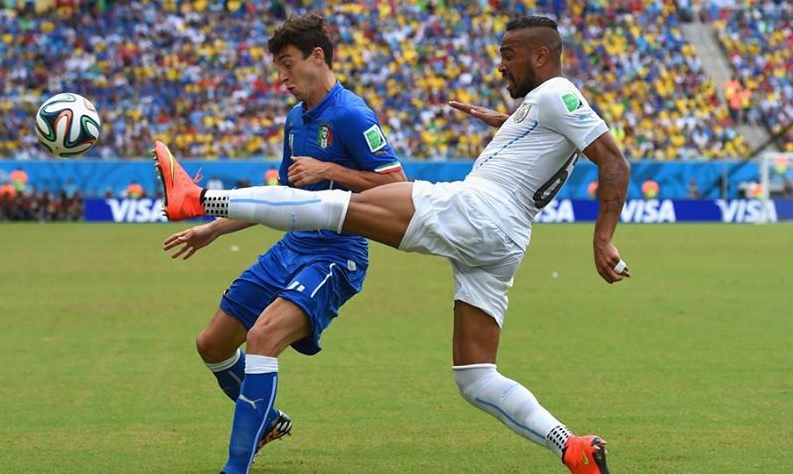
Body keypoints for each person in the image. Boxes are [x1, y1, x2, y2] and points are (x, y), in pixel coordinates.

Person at [156, 16, 629, 474]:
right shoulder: (540, 104)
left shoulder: (559, 92)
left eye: (508, 55)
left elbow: (614, 161)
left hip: (481, 210)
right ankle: (573, 448)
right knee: (475, 376)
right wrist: (507, 122)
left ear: (541, 55)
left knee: (333, 209)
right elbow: (550, 138)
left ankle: (196, 197)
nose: (500, 65)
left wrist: (602, 238)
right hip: (505, 241)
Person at [159, 13, 406, 474]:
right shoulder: (295, 119)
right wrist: (212, 228)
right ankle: (267, 421)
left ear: (318, 56)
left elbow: (398, 185)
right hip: (292, 247)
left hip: (337, 254)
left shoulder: (351, 114)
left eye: (288, 65)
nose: (282, 78)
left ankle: (235, 468)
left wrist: (329, 171)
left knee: (263, 338)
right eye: (278, 67)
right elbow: (280, 198)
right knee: (212, 345)